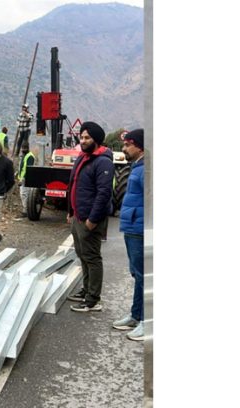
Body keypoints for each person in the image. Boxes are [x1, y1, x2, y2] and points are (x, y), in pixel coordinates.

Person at [65, 121, 114, 312]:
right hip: (78, 216)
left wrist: (92, 220)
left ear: (96, 140)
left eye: (87, 138)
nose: (82, 140)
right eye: (82, 137)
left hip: (90, 220)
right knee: (82, 255)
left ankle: (93, 299)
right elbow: (73, 184)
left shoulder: (103, 161)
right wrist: (70, 211)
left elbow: (104, 194)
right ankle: (86, 289)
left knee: (92, 257)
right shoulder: (83, 157)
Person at [112, 129, 145, 341]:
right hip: (132, 227)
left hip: (140, 229)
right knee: (137, 274)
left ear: (140, 146)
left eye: (127, 145)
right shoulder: (137, 167)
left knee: (145, 276)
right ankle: (136, 315)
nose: (124, 149)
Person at [17, 142, 36, 218]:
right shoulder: (24, 156)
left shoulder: (30, 156)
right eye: (22, 148)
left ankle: (26, 211)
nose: (23, 149)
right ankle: (26, 210)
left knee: (24, 194)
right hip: (22, 178)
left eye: (25, 148)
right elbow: (21, 167)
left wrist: (23, 179)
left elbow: (28, 169)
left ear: (28, 148)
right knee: (23, 194)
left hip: (26, 179)